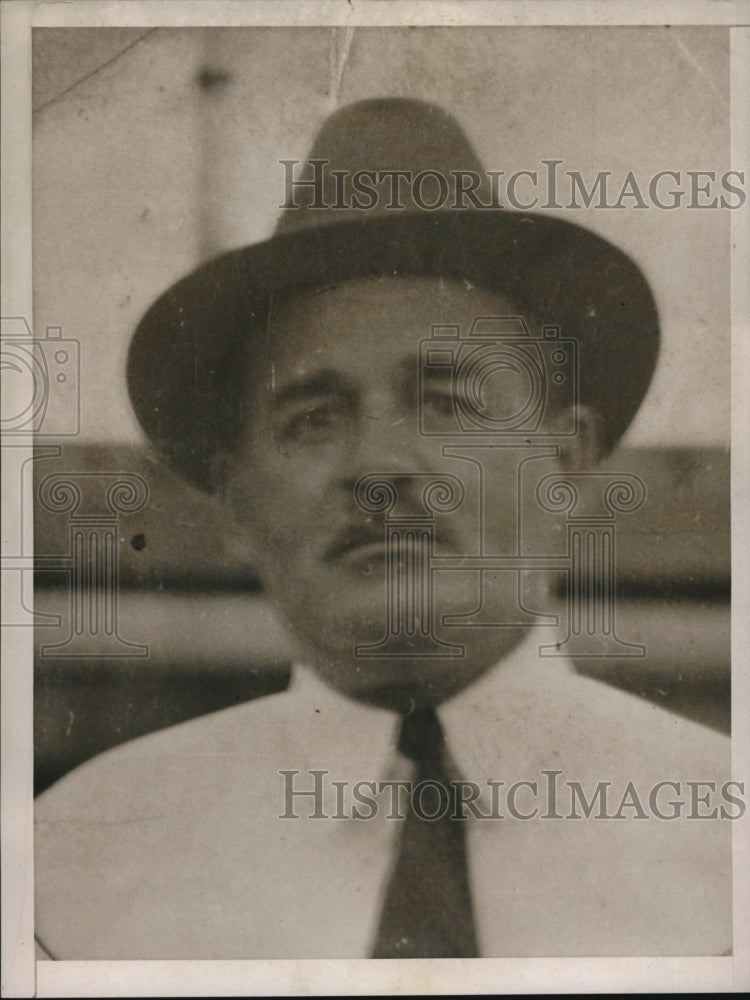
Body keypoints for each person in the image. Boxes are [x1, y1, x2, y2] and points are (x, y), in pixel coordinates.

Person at [34, 99, 731, 959]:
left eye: (447, 402)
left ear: (568, 461)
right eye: (313, 419)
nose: (379, 466)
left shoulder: (722, 843)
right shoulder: (81, 865)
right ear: (236, 501)